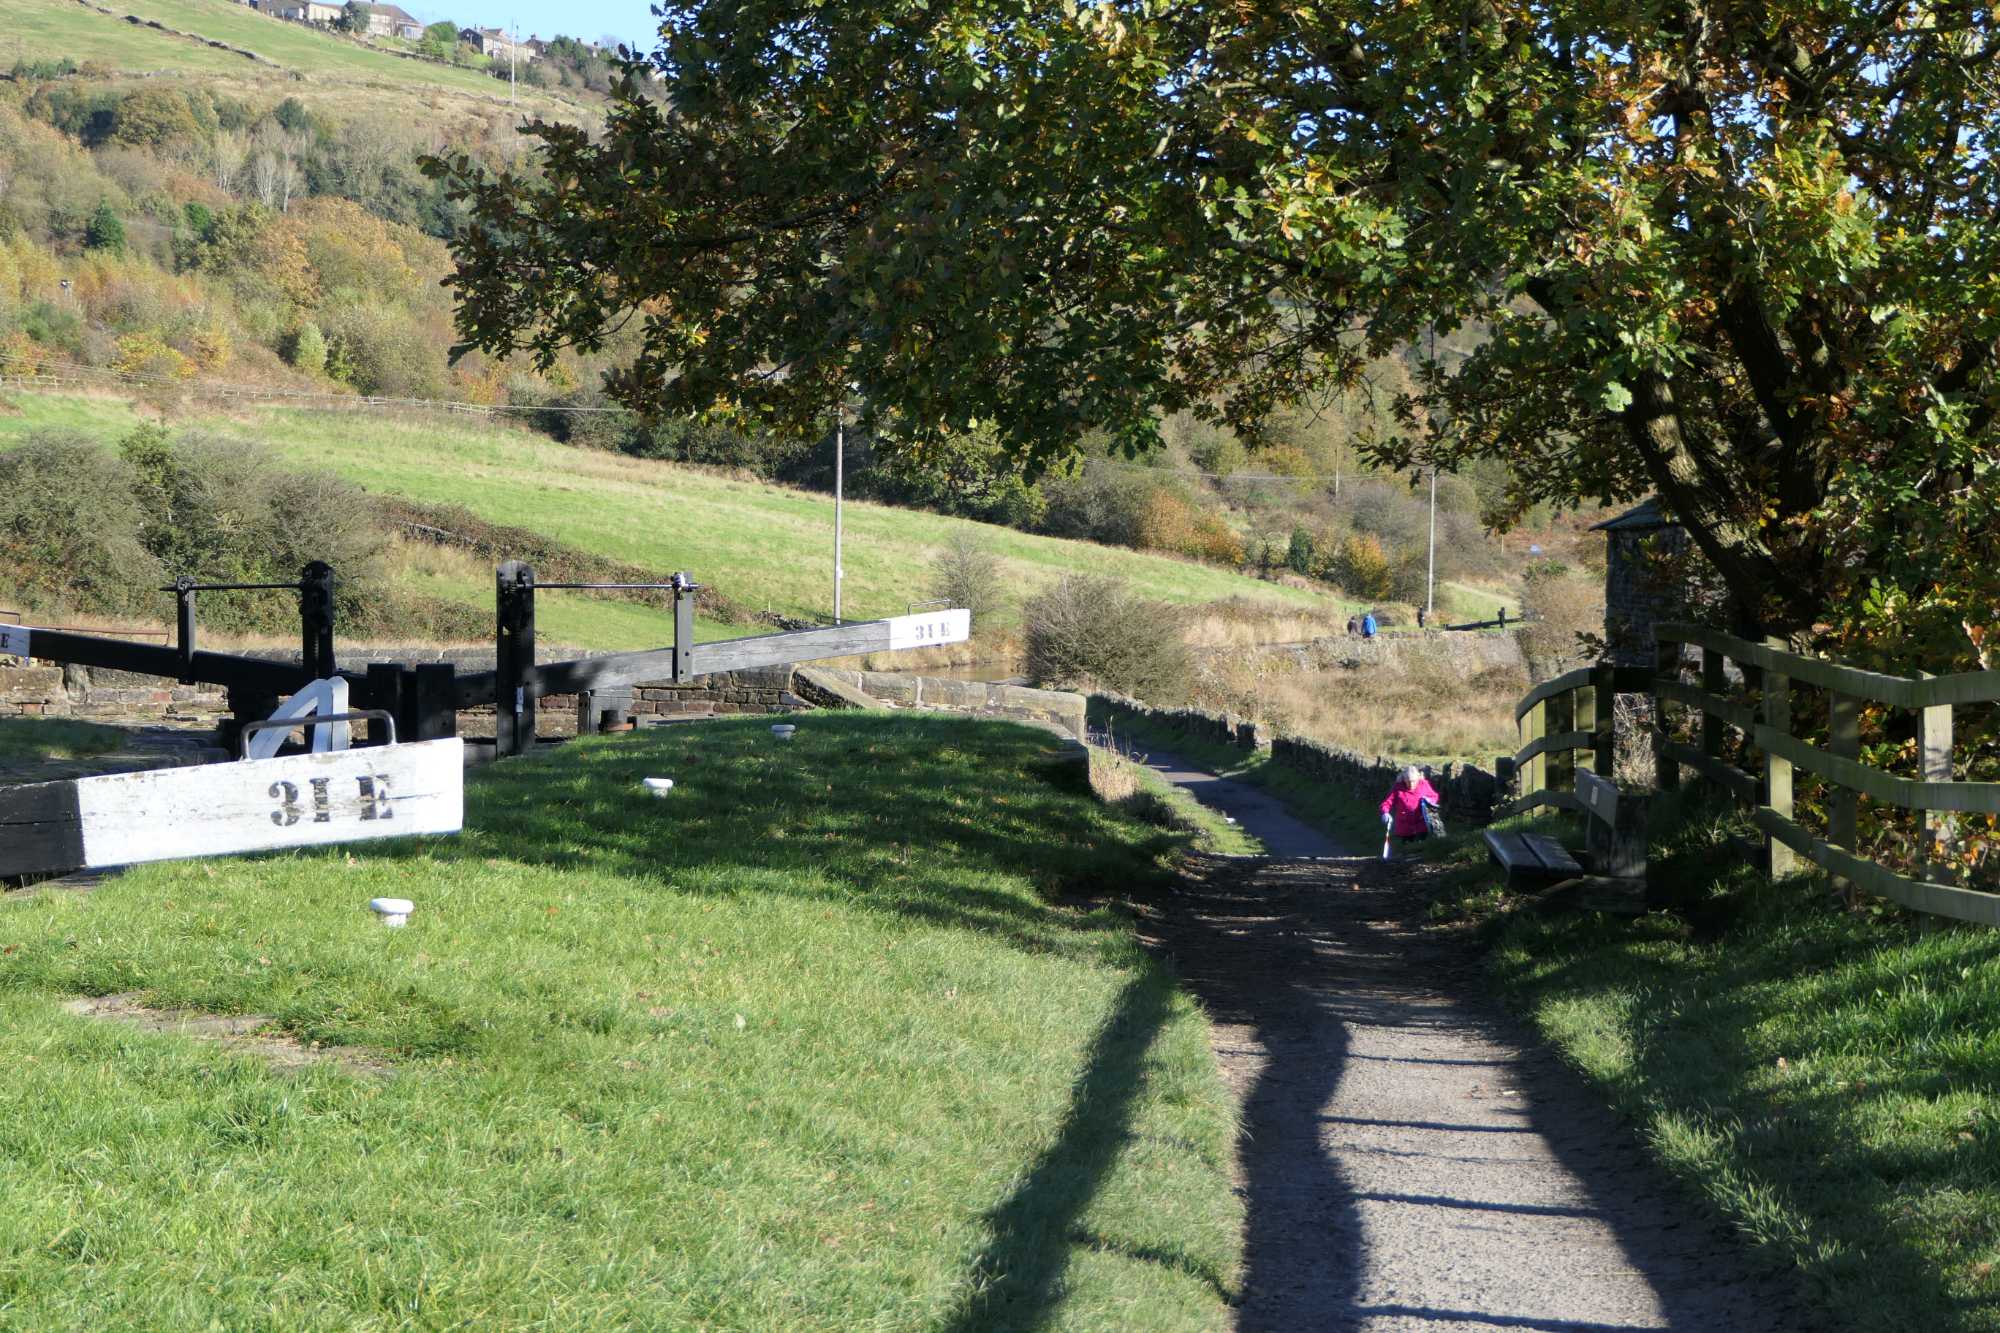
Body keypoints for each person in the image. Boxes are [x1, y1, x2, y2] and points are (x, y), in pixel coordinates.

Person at [1380, 765, 1441, 853]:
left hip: (1421, 825)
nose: (1411, 784)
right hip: (1405, 828)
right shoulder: (1398, 788)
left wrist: (1429, 800)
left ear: (1418, 779)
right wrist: (1385, 813)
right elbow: (1387, 803)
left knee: (1421, 850)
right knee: (1407, 851)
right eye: (1408, 782)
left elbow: (1434, 796)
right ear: (1404, 779)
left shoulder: (1423, 784)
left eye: (1413, 781)